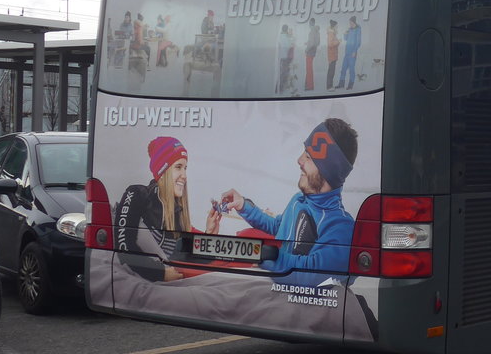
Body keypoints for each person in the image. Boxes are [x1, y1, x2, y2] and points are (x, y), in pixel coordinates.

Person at [209, 118, 357, 286]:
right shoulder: (299, 201)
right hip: (271, 287)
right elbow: (278, 227)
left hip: (294, 303)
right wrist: (244, 206)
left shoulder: (341, 228)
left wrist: (264, 254)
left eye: (308, 156)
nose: (299, 160)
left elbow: (310, 275)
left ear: (328, 170)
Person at [115, 136, 217, 281]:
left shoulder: (179, 214)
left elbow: (188, 261)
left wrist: (209, 236)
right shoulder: (137, 194)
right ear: (162, 171)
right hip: (135, 276)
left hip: (163, 283)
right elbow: (123, 246)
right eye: (178, 167)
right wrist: (158, 273)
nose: (184, 176)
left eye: (185, 168)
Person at [336, 16, 362, 89]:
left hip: (352, 53)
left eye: (350, 22)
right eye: (349, 22)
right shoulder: (349, 29)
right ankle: (341, 84)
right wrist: (345, 34)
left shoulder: (358, 30)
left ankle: (351, 84)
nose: (349, 24)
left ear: (354, 22)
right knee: (343, 68)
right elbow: (346, 39)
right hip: (347, 52)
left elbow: (358, 42)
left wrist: (354, 51)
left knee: (351, 69)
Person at [276, 24, 294, 94]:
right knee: (284, 72)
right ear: (286, 30)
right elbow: (288, 46)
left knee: (284, 71)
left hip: (282, 57)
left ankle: (282, 87)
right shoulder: (284, 37)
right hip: (285, 57)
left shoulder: (280, 36)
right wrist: (291, 43)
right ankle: (279, 87)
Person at [303, 19, 320, 91]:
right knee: (309, 68)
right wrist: (308, 43)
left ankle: (310, 86)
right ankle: (307, 84)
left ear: (311, 23)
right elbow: (317, 42)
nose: (309, 25)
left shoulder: (312, 31)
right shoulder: (317, 31)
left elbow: (312, 43)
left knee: (309, 69)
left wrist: (306, 49)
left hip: (310, 52)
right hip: (313, 51)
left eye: (309, 23)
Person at [325, 20, 340, 90]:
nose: (337, 28)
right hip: (332, 55)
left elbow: (333, 43)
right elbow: (330, 44)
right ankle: (329, 86)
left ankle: (330, 86)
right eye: (336, 27)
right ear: (333, 27)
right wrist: (338, 41)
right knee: (331, 71)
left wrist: (337, 41)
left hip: (333, 55)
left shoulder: (333, 34)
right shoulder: (331, 34)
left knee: (332, 71)